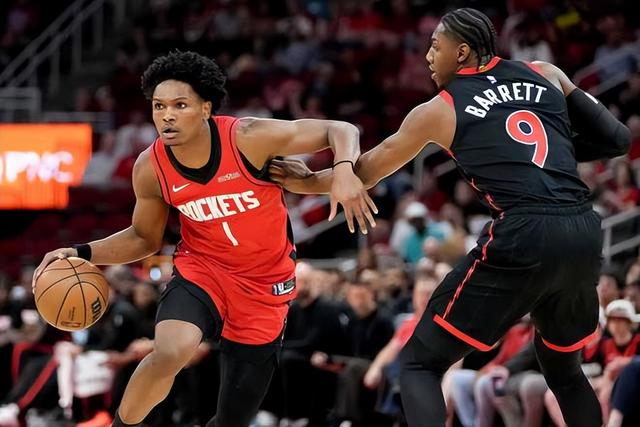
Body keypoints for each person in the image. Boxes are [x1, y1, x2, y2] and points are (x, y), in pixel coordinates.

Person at [269, 7, 631, 427]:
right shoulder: (544, 72)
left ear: (461, 53)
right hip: (583, 229)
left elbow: (367, 170)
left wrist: (305, 182)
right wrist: (557, 153)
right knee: (565, 372)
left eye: (435, 46)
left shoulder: (440, 109)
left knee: (419, 363)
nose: (427, 56)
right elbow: (617, 139)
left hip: (525, 229)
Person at [32, 50, 376, 427]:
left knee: (232, 419)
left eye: (180, 105)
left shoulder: (247, 138)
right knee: (170, 351)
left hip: (264, 285)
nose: (167, 115)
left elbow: (340, 130)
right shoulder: (150, 167)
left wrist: (344, 170)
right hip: (203, 271)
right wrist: (81, 252)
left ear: (205, 108)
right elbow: (144, 238)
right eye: (159, 106)